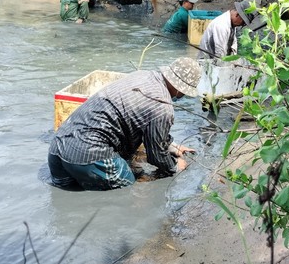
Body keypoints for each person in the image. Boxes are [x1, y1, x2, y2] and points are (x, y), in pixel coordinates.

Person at [48, 57, 202, 191]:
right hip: (88, 155)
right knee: (129, 188)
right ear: (181, 89)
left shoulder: (142, 75)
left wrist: (172, 146)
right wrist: (175, 167)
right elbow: (156, 155)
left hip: (58, 148)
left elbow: (144, 122)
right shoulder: (163, 106)